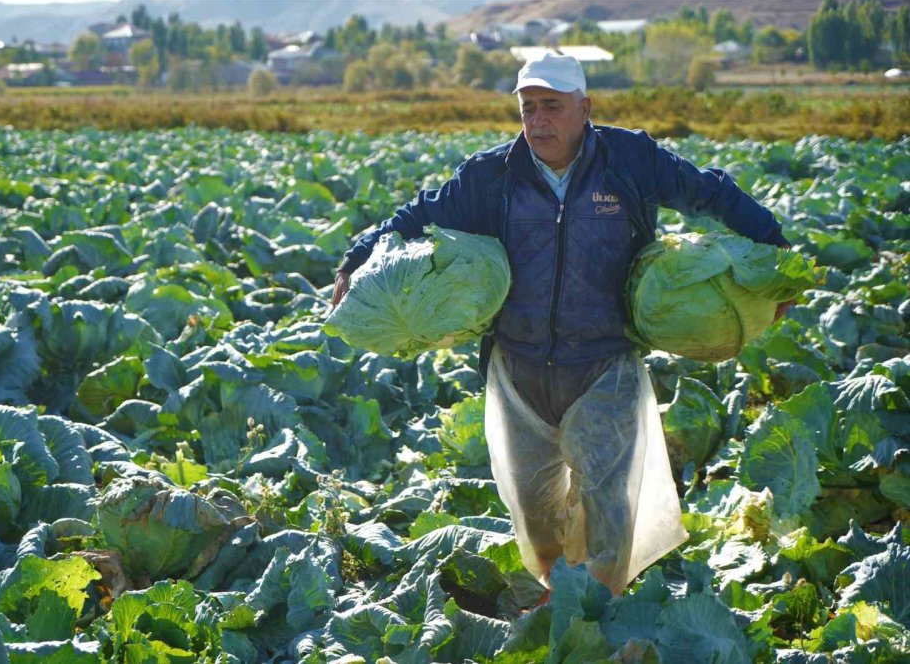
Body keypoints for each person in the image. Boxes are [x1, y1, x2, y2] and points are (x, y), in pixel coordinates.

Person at [330, 52, 792, 600]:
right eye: (528, 108)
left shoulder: (629, 159)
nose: (538, 121)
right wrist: (356, 260)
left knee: (610, 501)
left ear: (584, 108)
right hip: (520, 366)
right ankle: (556, 591)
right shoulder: (491, 175)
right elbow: (418, 215)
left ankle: (600, 609)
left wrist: (775, 256)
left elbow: (710, 191)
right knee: (533, 506)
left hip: (604, 362)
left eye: (551, 106)